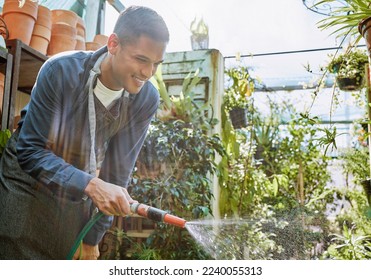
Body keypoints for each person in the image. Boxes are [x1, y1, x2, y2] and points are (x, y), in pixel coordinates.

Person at [0, 5, 169, 260]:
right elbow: (30, 150)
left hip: (71, 192)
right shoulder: (60, 71)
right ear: (113, 43)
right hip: (26, 183)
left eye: (156, 63)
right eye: (141, 59)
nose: (147, 73)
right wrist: (89, 184)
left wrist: (93, 237)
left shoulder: (145, 98)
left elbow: (116, 174)